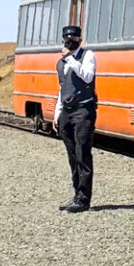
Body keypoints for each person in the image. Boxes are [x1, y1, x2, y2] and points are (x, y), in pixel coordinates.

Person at [54, 24, 97, 213]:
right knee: (72, 155)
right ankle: (76, 195)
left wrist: (71, 58)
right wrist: (57, 111)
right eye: (66, 40)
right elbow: (63, 88)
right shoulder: (61, 62)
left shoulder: (87, 56)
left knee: (82, 153)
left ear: (80, 40)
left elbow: (87, 77)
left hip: (83, 110)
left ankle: (84, 198)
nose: (69, 42)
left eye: (73, 40)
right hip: (67, 111)